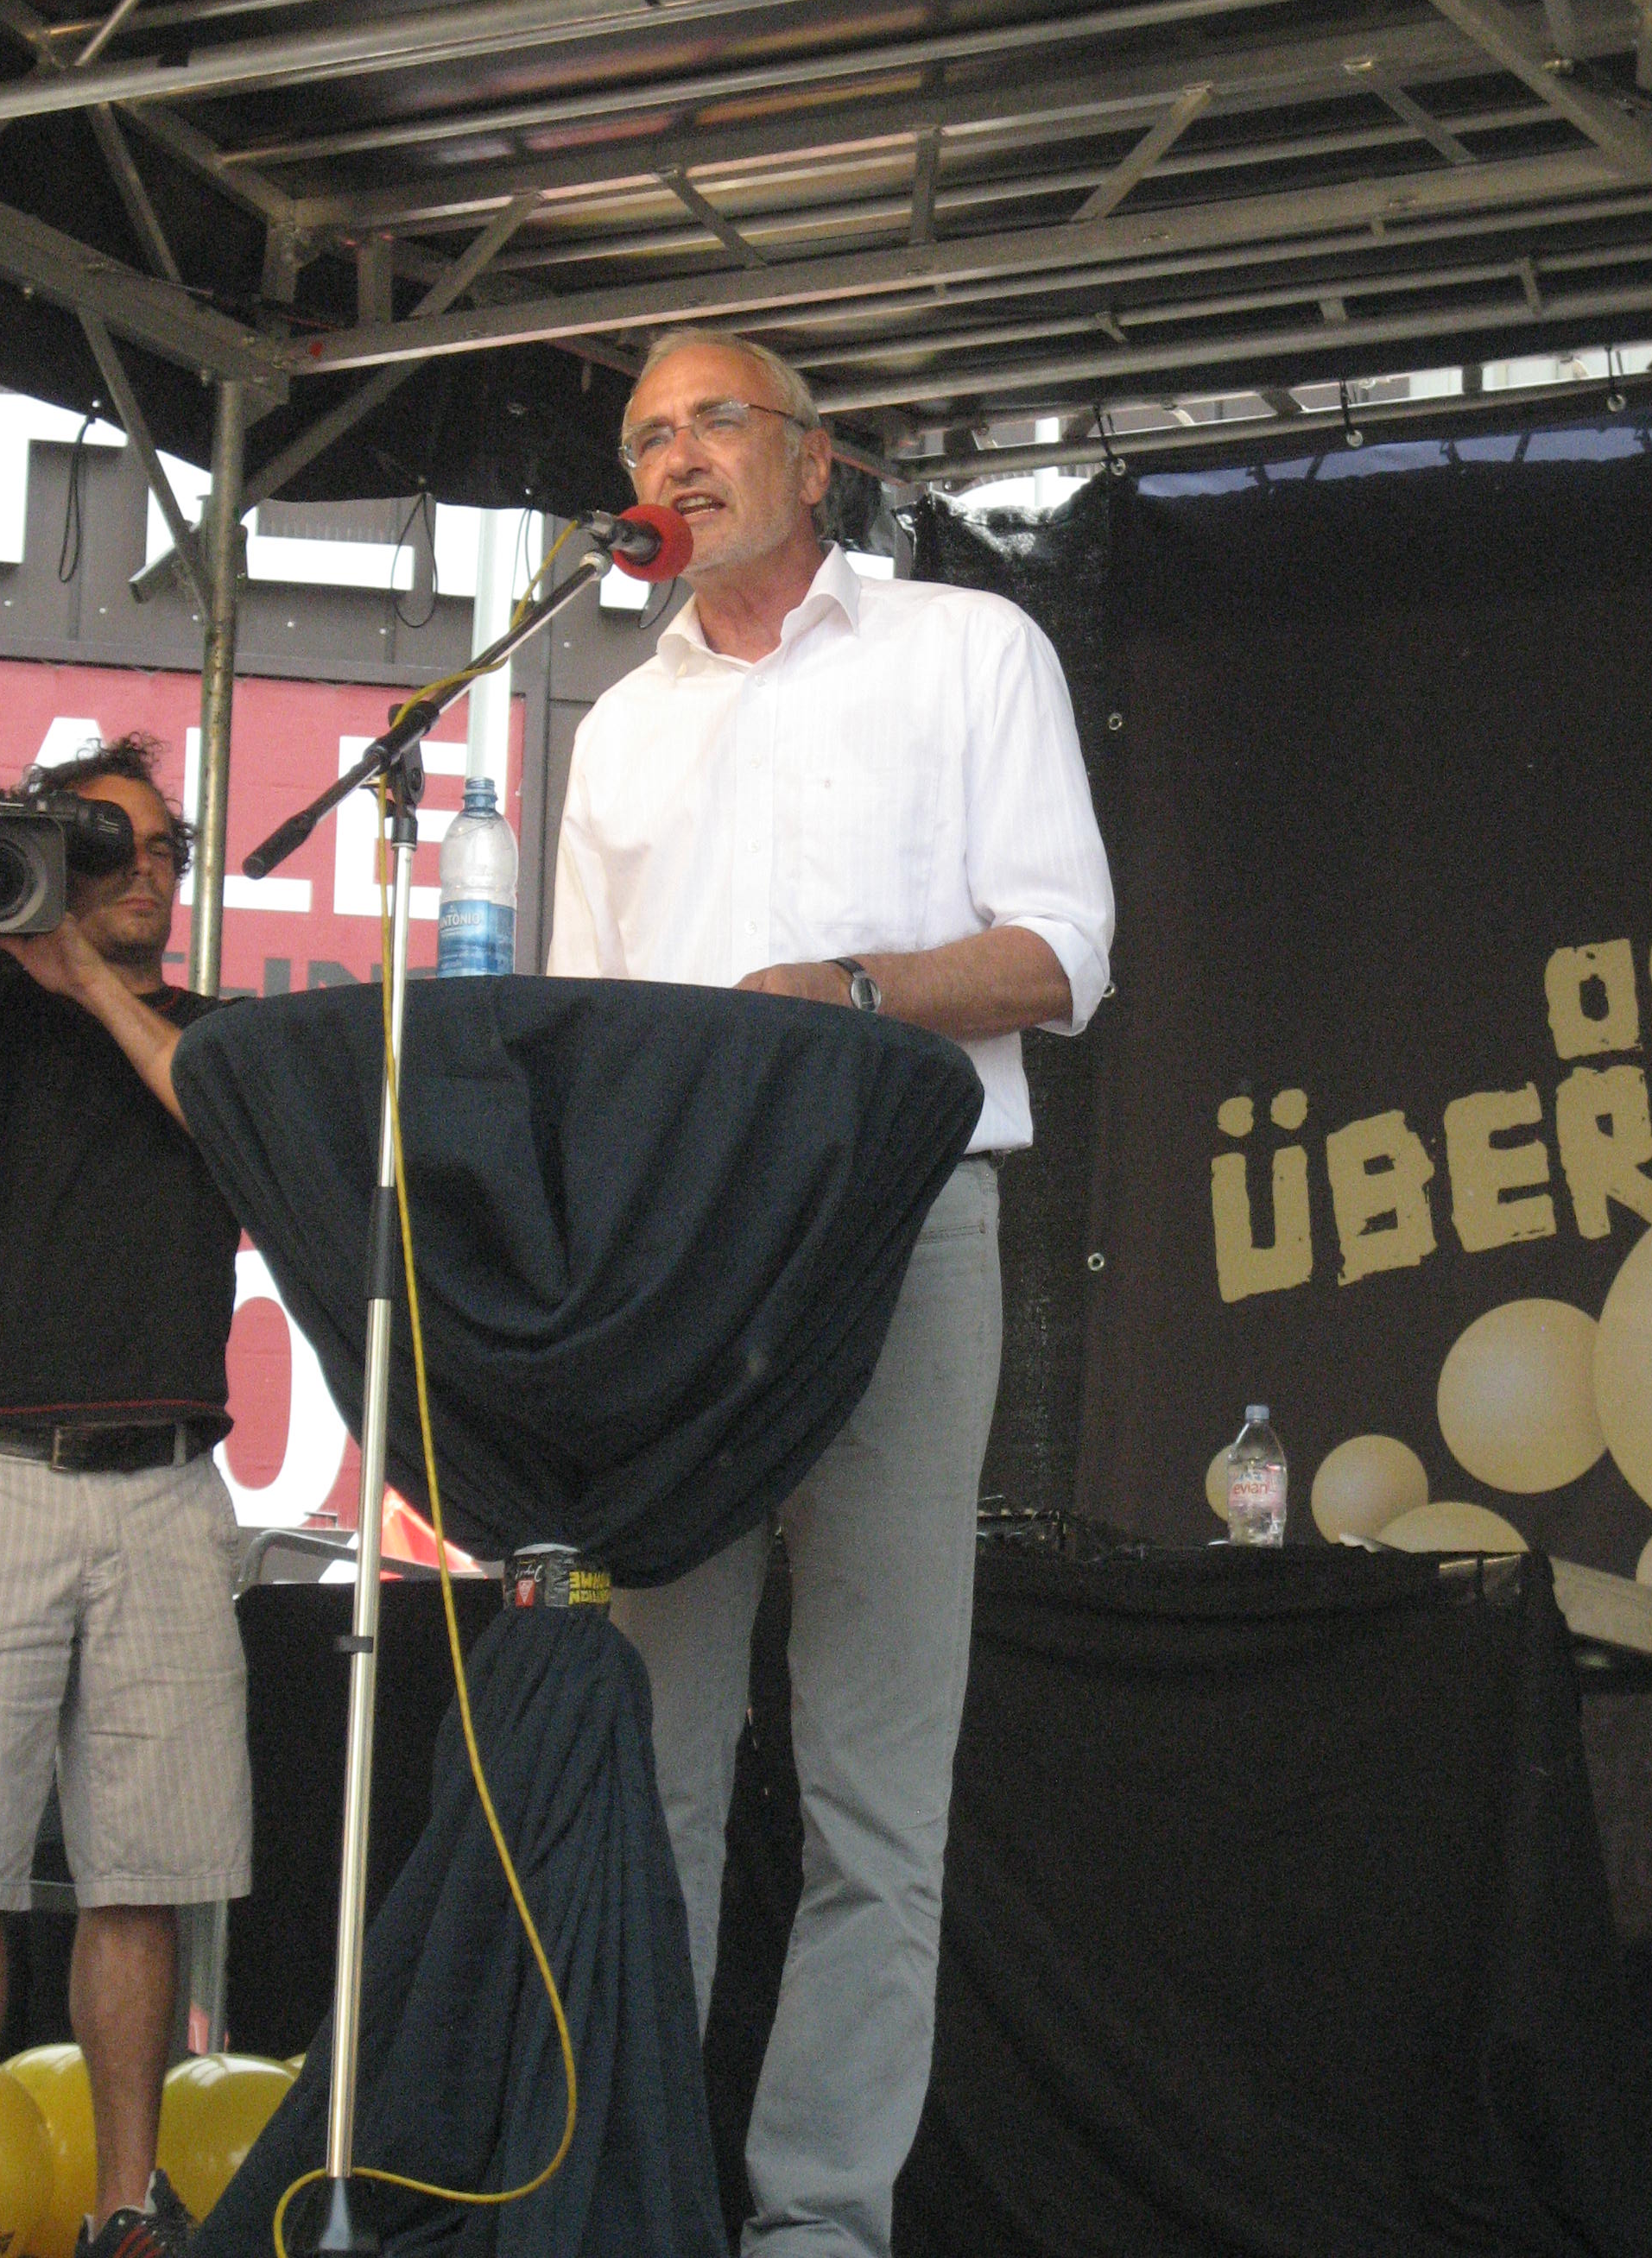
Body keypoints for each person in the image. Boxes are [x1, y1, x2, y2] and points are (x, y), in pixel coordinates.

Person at [548, 329, 1114, 2256]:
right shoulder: (620, 724)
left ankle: (816, 2224)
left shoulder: (966, 647)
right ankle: (633, 2201)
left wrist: (850, 991)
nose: (677, 456)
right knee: (652, 1767)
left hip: (901, 1219)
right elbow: (583, 1031)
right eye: (647, 434)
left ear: (814, 458)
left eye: (715, 420)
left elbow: (1064, 955)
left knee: (876, 1784)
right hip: (677, 1264)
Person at [0, 737, 250, 2258]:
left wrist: (86, 980)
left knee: (144, 1873)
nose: (141, 872)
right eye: (103, 846)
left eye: (164, 850)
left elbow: (218, 1127)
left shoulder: (215, 1037)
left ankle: (123, 2203)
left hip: (164, 1485)